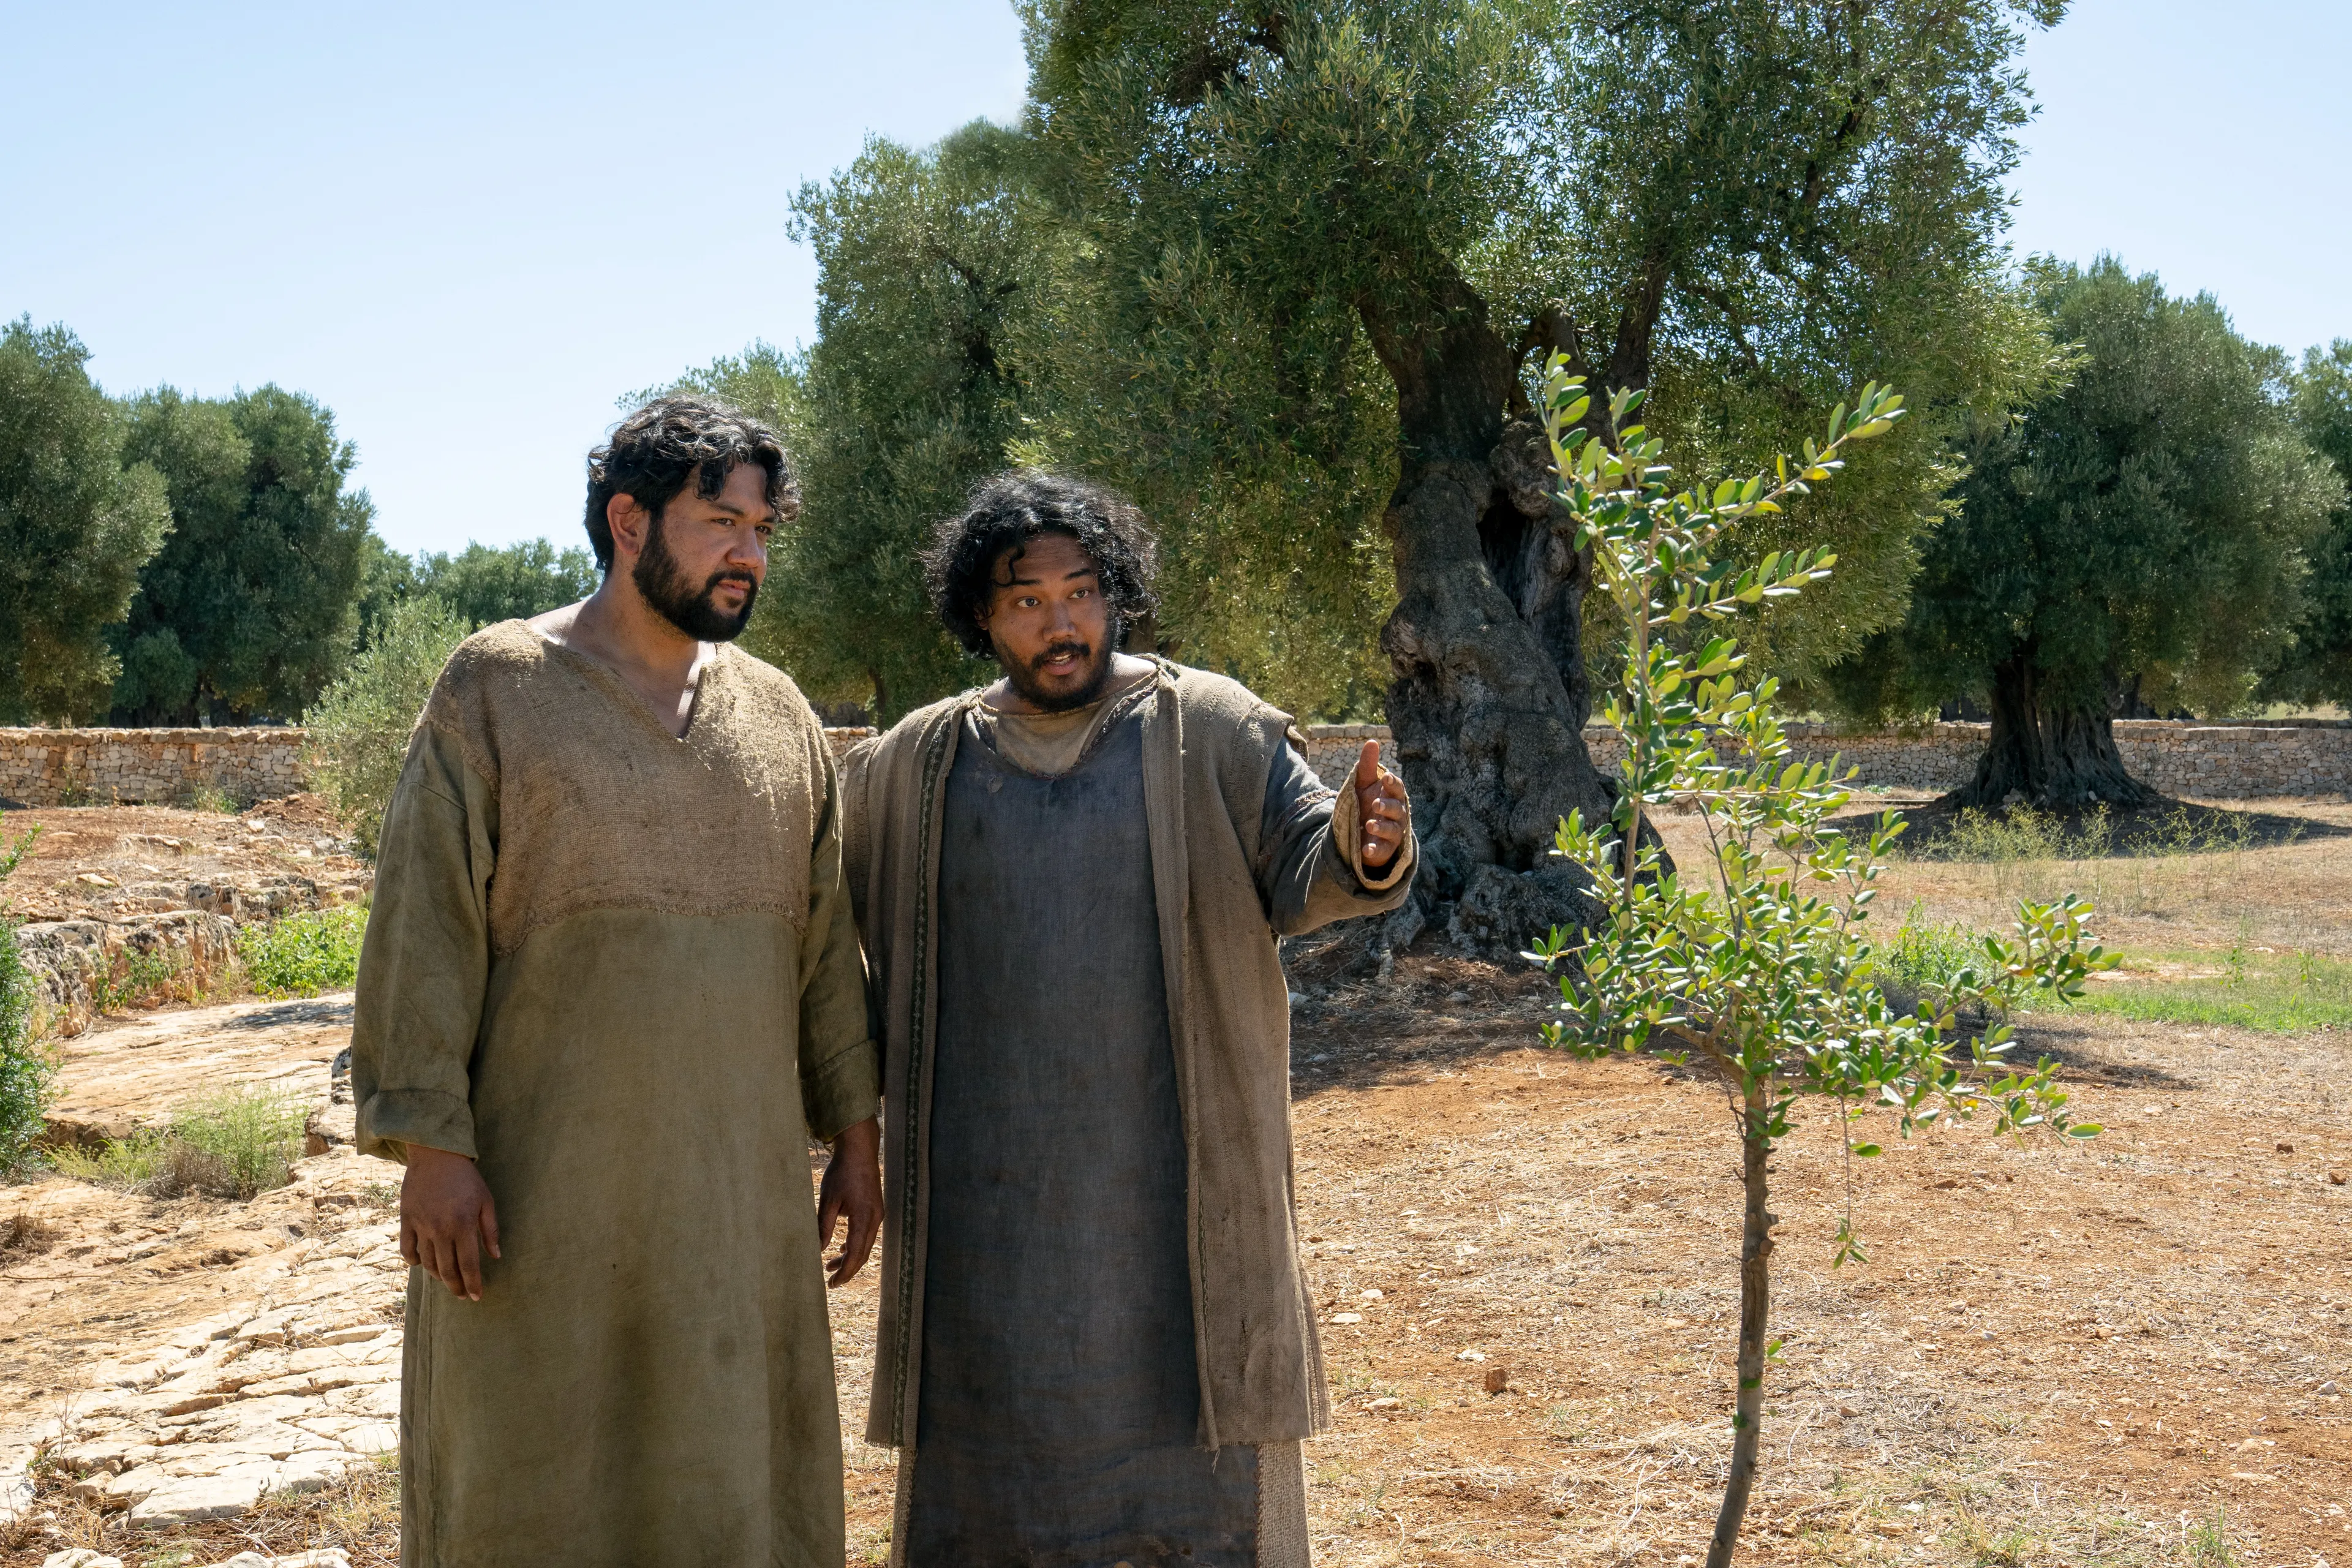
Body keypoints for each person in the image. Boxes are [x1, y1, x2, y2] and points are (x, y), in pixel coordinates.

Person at [843, 470, 1415, 1568]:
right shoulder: (915, 765)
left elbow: (1312, 863)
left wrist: (1368, 844)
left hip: (1180, 1219)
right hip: (986, 1231)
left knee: (1204, 1507)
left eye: (1082, 590)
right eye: (1026, 600)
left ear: (1118, 593)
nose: (1061, 622)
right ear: (981, 614)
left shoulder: (1211, 727)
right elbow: (829, 943)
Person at [350, 398, 883, 1567]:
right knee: (530, 1475)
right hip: (540, 1203)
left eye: (760, 527)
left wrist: (854, 1129)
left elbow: (821, 945)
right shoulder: (495, 688)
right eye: (718, 521)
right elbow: (420, 928)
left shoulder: (782, 717)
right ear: (627, 519)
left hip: (735, 1209)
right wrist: (431, 1146)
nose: (747, 552)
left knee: (733, 1482)